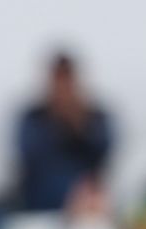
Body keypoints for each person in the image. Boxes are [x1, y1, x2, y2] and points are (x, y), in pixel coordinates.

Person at [15, 52, 114, 212]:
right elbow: (28, 156)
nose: (62, 88)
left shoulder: (95, 116)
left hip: (87, 206)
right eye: (58, 79)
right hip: (39, 204)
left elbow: (104, 153)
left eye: (67, 79)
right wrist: (56, 123)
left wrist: (79, 125)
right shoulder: (32, 117)